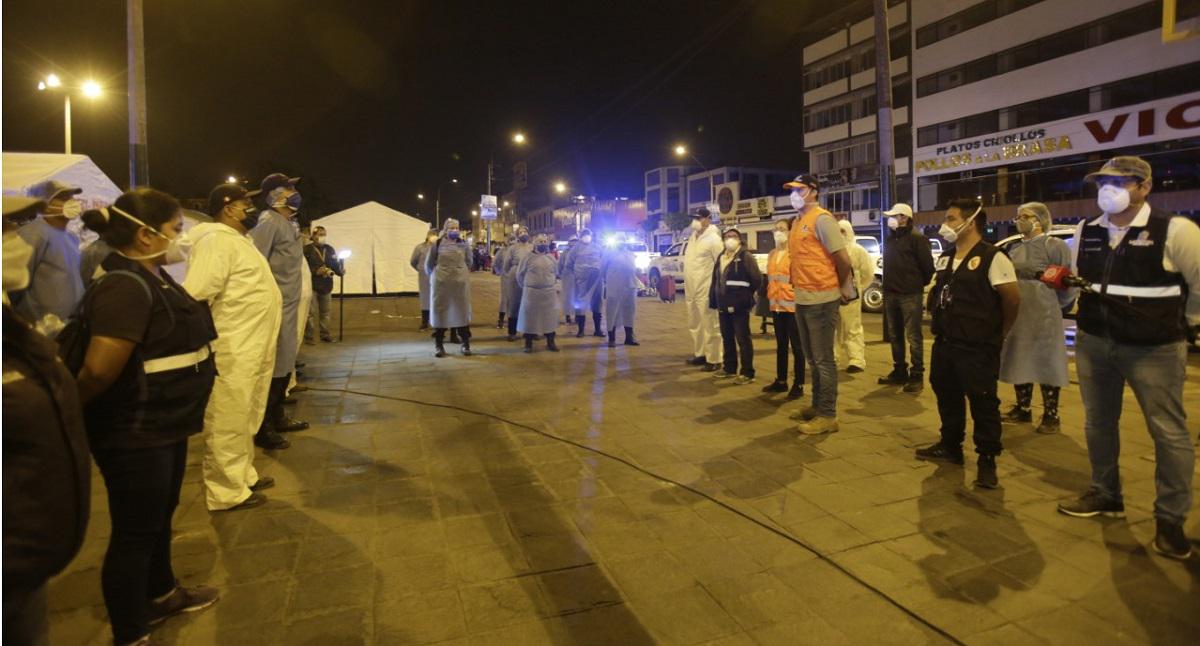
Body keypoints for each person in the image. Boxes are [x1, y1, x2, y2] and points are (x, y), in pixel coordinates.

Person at [75, 189, 221, 645]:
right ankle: (130, 630)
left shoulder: (152, 274)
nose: (182, 238)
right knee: (135, 531)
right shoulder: (124, 285)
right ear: (145, 234)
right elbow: (98, 371)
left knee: (159, 517)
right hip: (135, 431)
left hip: (165, 424)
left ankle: (161, 595)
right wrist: (69, 413)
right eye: (176, 229)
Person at [1056, 156, 1200, 561]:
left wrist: (1187, 326)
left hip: (1154, 348)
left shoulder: (1176, 231)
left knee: (1168, 432)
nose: (1109, 189)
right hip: (1095, 342)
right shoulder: (1087, 230)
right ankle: (1106, 494)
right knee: (1098, 423)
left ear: (1145, 187)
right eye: (1104, 181)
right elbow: (1076, 283)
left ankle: (1170, 520)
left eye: (1121, 182)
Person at [3, 196, 91, 646]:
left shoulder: (12, 334)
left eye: (14, 224)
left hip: (26, 565)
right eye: (4, 228)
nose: (15, 238)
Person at [183, 183, 282, 510]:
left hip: (253, 343)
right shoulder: (215, 241)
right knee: (228, 415)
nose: (251, 210)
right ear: (228, 209)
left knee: (247, 411)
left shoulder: (239, 240)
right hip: (234, 344)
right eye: (245, 205)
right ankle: (225, 490)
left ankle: (242, 474)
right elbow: (198, 292)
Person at [915, 198, 1020, 490]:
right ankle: (950, 445)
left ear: (970, 222)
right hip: (945, 342)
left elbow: (1012, 299)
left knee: (983, 400)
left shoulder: (993, 257)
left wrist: (1000, 333)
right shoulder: (947, 256)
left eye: (950, 219)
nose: (945, 225)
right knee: (946, 394)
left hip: (978, 346)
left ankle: (987, 459)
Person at [785, 174, 853, 435]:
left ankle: (828, 415)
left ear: (813, 191)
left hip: (822, 298)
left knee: (823, 360)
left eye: (799, 189)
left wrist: (842, 286)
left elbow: (843, 260)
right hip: (802, 297)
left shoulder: (822, 219)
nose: (794, 194)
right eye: (792, 190)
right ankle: (816, 407)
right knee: (812, 358)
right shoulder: (797, 221)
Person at [998, 202, 1073, 434]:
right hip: (1020, 312)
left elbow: (1067, 281)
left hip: (1044, 311)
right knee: (1020, 357)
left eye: (1025, 216)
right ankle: (1023, 408)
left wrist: (1057, 306)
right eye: (1018, 216)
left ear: (1040, 220)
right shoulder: (1015, 248)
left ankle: (1051, 414)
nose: (1019, 220)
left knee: (1046, 359)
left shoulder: (1055, 246)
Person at [250, 173, 309, 447]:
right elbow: (256, 263)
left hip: (290, 304)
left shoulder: (288, 222)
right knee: (273, 364)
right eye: (288, 188)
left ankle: (277, 415)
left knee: (284, 362)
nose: (293, 192)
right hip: (275, 306)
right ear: (274, 195)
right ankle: (263, 427)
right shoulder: (268, 222)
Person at [13, 180, 86, 333]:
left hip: (68, 327)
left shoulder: (71, 237)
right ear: (43, 204)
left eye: (71, 197)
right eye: (63, 198)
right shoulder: (33, 235)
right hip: (40, 329)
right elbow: (16, 284)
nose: (72, 202)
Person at [879, 203, 935, 393]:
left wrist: (915, 284)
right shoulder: (890, 238)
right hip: (891, 293)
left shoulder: (917, 238)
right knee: (895, 335)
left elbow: (928, 268)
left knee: (913, 336)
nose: (891, 219)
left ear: (905, 217)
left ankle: (917, 375)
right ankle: (899, 371)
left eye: (895, 216)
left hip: (910, 294)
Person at [709, 226, 763, 384]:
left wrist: (744, 296)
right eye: (727, 236)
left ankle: (747, 372)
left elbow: (757, 279)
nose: (730, 239)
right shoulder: (721, 257)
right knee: (727, 337)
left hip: (740, 305)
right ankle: (729, 368)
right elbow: (716, 279)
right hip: (723, 304)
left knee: (743, 338)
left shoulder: (745, 256)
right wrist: (714, 299)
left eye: (733, 236)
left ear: (739, 239)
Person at [762, 218, 805, 400]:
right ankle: (781, 381)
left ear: (790, 232)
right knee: (781, 346)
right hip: (777, 306)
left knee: (797, 347)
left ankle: (798, 384)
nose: (778, 232)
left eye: (782, 229)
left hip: (793, 307)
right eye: (776, 229)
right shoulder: (772, 254)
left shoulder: (795, 253)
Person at [683, 208, 724, 371]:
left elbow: (721, 264)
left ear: (708, 219)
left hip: (706, 288)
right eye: (694, 218)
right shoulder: (693, 237)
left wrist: (718, 287)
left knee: (710, 324)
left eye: (699, 218)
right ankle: (700, 353)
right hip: (691, 288)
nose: (696, 221)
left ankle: (715, 359)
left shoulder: (714, 240)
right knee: (695, 323)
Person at [426, 218, 473, 356]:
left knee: (462, 312)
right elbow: (429, 264)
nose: (455, 230)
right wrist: (436, 276)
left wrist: (460, 272)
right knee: (441, 311)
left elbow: (469, 262)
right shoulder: (437, 244)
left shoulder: (464, 244)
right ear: (446, 230)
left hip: (459, 284)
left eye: (457, 228)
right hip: (442, 284)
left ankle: (465, 344)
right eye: (452, 228)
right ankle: (439, 345)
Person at [835, 220, 875, 374]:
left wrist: (858, 288)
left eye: (843, 231)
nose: (840, 234)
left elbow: (868, 273)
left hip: (851, 294)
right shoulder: (831, 251)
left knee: (852, 327)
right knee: (833, 328)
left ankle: (856, 360)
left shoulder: (858, 251)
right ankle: (832, 358)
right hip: (833, 293)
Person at [516, 234, 561, 352]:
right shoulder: (527, 258)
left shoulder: (551, 258)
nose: (543, 243)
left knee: (549, 319)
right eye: (540, 241)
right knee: (530, 319)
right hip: (532, 293)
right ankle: (528, 343)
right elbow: (519, 275)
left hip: (548, 293)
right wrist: (527, 286)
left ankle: (550, 342)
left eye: (545, 241)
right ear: (535, 243)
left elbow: (556, 274)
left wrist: (553, 285)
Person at [304, 225, 343, 342]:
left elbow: (334, 264)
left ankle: (325, 335)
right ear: (314, 236)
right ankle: (309, 337)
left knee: (325, 312)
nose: (323, 237)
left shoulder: (329, 249)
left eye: (324, 234)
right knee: (310, 313)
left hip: (326, 285)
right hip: (312, 285)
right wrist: (315, 271)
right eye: (320, 234)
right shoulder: (307, 250)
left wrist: (340, 271)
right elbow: (303, 267)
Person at [566, 228, 605, 338]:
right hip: (581, 282)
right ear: (580, 236)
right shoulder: (575, 249)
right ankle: (581, 330)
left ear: (591, 236)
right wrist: (576, 275)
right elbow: (568, 265)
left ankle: (598, 330)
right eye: (584, 234)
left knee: (597, 304)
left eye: (588, 234)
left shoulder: (598, 248)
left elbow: (603, 261)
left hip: (596, 281)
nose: (586, 236)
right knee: (580, 305)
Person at [602, 239, 641, 348]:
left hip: (630, 286)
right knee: (612, 311)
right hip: (614, 286)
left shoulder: (629, 253)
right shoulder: (608, 253)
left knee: (629, 311)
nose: (622, 244)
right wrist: (606, 280)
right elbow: (602, 268)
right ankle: (612, 338)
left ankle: (629, 337)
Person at [502, 227, 535, 341]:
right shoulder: (512, 248)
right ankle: (512, 332)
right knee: (514, 304)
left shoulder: (533, 247)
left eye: (525, 232)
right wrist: (512, 273)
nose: (523, 234)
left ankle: (530, 331)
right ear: (517, 236)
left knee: (530, 304)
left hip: (530, 276)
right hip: (515, 278)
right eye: (520, 232)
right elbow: (506, 265)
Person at [409, 229, 436, 330]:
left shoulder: (441, 247)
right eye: (432, 234)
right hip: (425, 277)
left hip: (438, 277)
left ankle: (438, 322)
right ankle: (425, 322)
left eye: (436, 234)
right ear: (427, 236)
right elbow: (413, 261)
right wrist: (421, 269)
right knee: (425, 299)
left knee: (438, 299)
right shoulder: (420, 247)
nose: (434, 236)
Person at [558, 236, 579, 325]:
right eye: (572, 241)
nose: (574, 243)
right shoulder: (565, 253)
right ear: (569, 242)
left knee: (577, 298)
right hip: (567, 278)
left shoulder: (580, 251)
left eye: (575, 241)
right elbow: (560, 264)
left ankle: (578, 316)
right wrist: (560, 275)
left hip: (578, 277)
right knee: (568, 298)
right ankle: (568, 316)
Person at [494, 243, 509, 329]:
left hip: (517, 278)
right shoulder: (503, 251)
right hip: (506, 278)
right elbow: (496, 262)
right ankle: (501, 319)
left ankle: (514, 320)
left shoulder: (524, 249)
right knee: (504, 299)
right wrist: (499, 272)